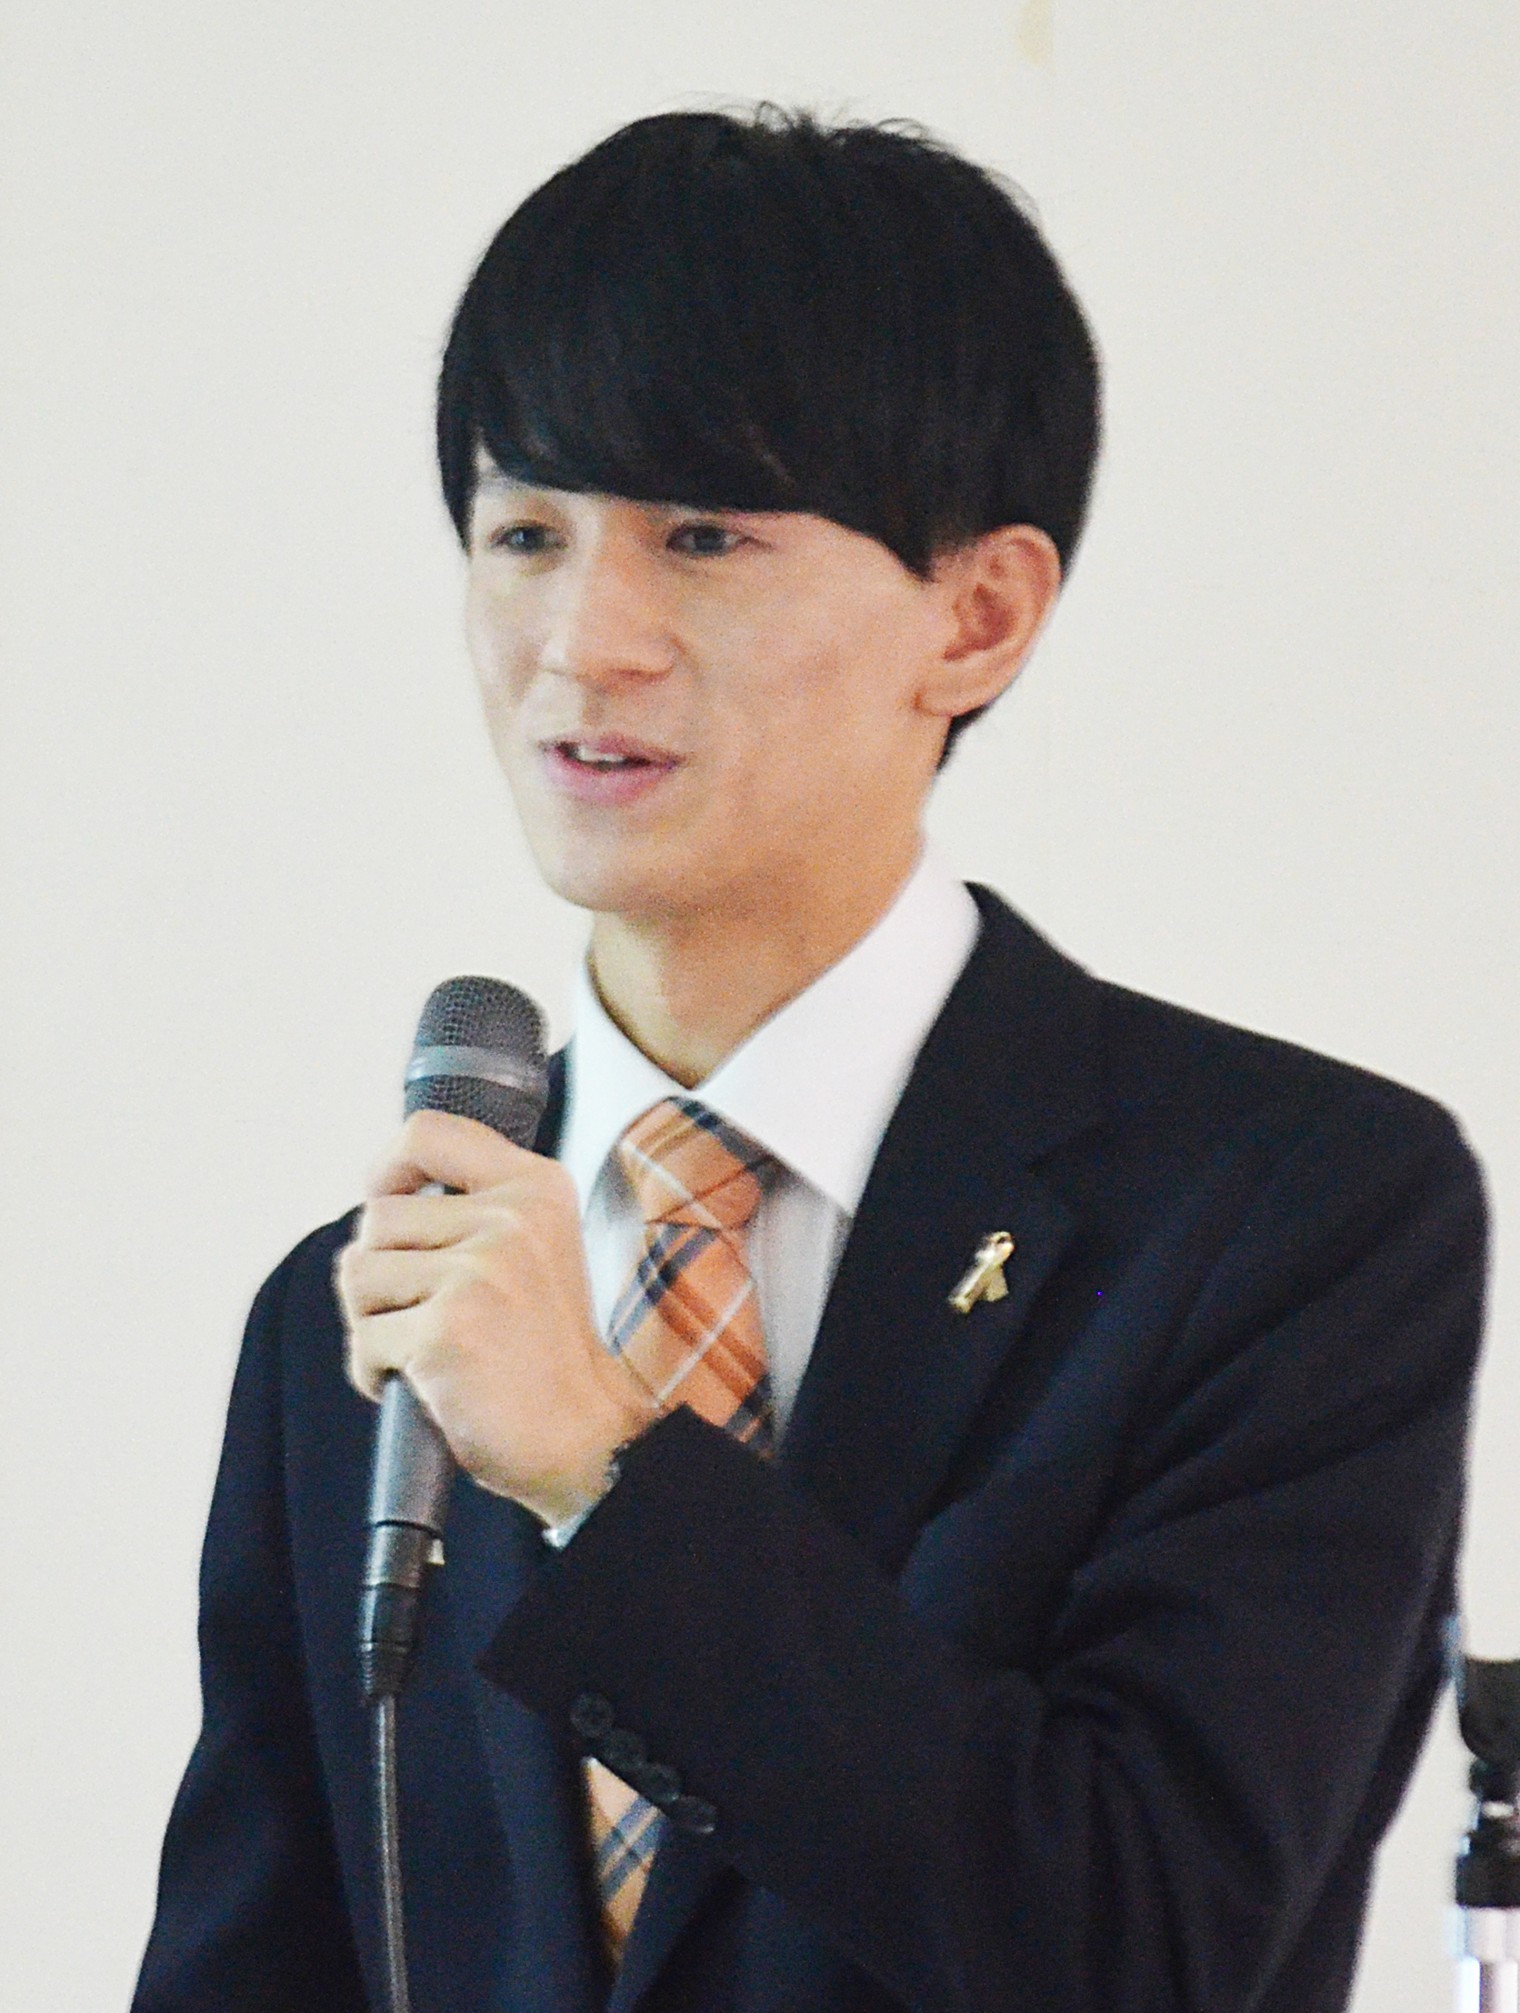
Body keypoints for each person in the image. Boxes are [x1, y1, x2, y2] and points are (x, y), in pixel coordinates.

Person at [133, 107, 1487, 2013]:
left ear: (978, 616)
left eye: (702, 536)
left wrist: (605, 1473)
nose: (583, 641)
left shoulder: (1287, 1210)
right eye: (526, 534)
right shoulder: (359, 1317)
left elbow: (1146, 1944)